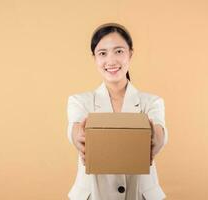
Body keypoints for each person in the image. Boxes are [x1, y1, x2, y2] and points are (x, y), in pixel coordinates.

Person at [66, 23, 168, 200]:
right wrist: (79, 138)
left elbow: (159, 135)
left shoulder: (152, 102)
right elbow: (74, 131)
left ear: (130, 53)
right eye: (102, 53)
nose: (111, 61)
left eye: (119, 51)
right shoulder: (79, 101)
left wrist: (154, 137)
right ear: (95, 58)